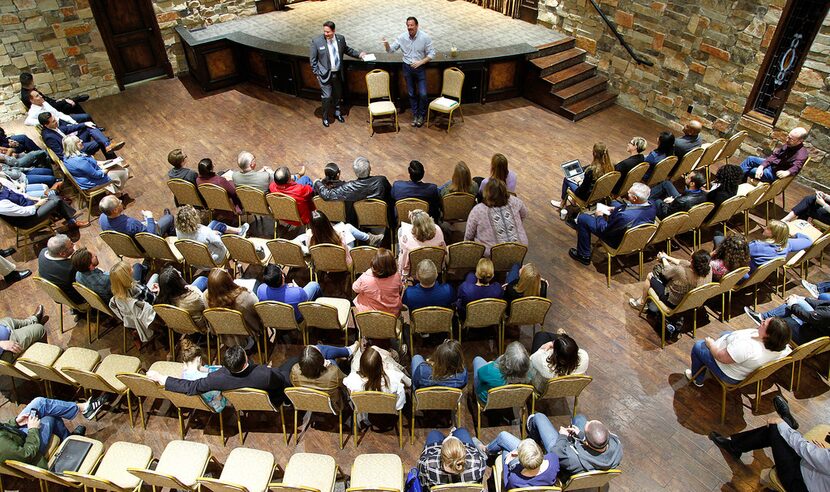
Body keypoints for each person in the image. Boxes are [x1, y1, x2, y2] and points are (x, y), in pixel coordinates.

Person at [148, 345, 291, 406]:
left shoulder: (217, 378)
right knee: (291, 365)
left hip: (240, 404)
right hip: (269, 402)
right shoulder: (265, 373)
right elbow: (280, 381)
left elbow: (191, 387)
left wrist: (162, 378)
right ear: (246, 360)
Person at [709, 418, 830, 491]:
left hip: (798, 481)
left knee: (775, 428)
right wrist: (821, 456)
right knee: (779, 431)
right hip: (810, 470)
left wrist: (783, 426)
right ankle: (735, 446)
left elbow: (805, 450)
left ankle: (734, 447)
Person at [685, 318, 792, 387]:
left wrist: (711, 344)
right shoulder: (782, 347)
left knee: (698, 346)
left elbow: (720, 357)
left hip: (728, 372)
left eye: (764, 324)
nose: (762, 321)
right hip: (740, 365)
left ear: (768, 335)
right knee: (725, 333)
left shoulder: (747, 347)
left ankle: (697, 379)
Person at [629, 250, 712, 339]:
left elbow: (666, 271)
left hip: (672, 302)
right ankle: (651, 305)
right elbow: (683, 262)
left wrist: (663, 259)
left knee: (651, 276)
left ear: (693, 262)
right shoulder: (708, 271)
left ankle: (641, 302)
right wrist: (667, 257)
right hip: (689, 304)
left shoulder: (681, 272)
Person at [569, 182, 656, 266]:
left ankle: (583, 255)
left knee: (583, 218)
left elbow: (604, 230)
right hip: (637, 236)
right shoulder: (652, 205)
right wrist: (617, 209)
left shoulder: (624, 216)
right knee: (614, 203)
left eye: (629, 193)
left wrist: (599, 216)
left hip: (618, 240)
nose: (627, 193)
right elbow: (632, 211)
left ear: (634, 198)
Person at [0, 397, 96, 467]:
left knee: (40, 403)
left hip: (18, 436)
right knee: (50, 417)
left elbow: (3, 429)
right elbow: (27, 455)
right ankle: (69, 442)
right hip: (31, 450)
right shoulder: (2, 443)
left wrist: (16, 422)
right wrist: (33, 429)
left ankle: (83, 409)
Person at [526, 412, 623, 478]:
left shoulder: (571, 459)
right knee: (580, 418)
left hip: (566, 459)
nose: (587, 422)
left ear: (587, 443)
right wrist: (580, 434)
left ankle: (532, 434)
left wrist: (563, 436)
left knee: (539, 417)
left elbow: (555, 453)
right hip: (585, 458)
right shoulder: (617, 444)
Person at [310, 21, 366, 127]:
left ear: (334, 31)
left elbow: (347, 50)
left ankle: (337, 113)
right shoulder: (317, 41)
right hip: (324, 75)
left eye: (328, 32)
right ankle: (325, 116)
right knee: (326, 97)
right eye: (324, 32)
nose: (326, 34)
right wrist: (317, 73)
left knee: (337, 95)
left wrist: (359, 54)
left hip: (337, 74)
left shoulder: (340, 39)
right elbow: (313, 60)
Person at [383, 16, 435, 127]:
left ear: (417, 25)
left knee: (423, 94)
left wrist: (421, 62)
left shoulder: (425, 37)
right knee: (411, 93)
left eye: (412, 25)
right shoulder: (402, 37)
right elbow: (390, 50)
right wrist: (386, 44)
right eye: (408, 25)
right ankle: (416, 116)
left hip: (420, 68)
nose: (410, 27)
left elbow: (431, 54)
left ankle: (422, 115)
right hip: (407, 68)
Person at [550, 143, 614, 220]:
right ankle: (573, 201)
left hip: (586, 196)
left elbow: (582, 190)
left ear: (594, 153)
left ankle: (562, 203)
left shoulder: (591, 171)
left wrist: (579, 180)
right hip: (600, 193)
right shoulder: (611, 167)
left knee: (566, 179)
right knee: (579, 175)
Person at [465, 179, 528, 256]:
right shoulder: (516, 201)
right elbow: (524, 214)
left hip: (491, 254)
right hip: (519, 249)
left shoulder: (478, 210)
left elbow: (468, 235)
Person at [344, 345, 410, 419]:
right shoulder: (394, 378)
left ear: (361, 366)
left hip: (366, 414)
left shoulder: (352, 380)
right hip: (391, 417)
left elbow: (352, 398)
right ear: (381, 365)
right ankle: (398, 359)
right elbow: (399, 405)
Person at [205, 268, 263, 347]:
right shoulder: (243, 298)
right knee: (257, 285)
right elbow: (258, 311)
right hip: (247, 337)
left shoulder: (205, 298)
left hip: (225, 336)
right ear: (228, 281)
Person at [109, 260, 161, 347]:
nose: (133, 269)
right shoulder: (137, 289)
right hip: (152, 315)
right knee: (155, 276)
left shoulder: (115, 299)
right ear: (127, 275)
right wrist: (158, 291)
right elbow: (154, 299)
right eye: (130, 269)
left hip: (136, 320)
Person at [291, 341, 357, 407]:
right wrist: (330, 364)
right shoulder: (333, 373)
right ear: (322, 361)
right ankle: (347, 351)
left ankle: (346, 351)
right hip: (332, 405)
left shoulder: (295, 371)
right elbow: (345, 382)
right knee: (328, 356)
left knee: (323, 354)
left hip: (307, 402)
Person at [0, 180, 87, 230]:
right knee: (56, 200)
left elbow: (21, 194)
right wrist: (38, 204)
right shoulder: (1, 204)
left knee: (53, 196)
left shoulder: (2, 188)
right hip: (27, 219)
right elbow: (25, 212)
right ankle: (72, 222)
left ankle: (52, 195)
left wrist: (36, 199)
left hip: (30, 205)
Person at [745, 294, 830, 345]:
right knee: (797, 301)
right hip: (815, 325)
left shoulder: (827, 314)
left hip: (808, 336)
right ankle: (763, 318)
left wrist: (792, 305)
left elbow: (808, 317)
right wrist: (802, 298)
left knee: (783, 323)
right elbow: (822, 303)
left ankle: (766, 325)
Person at [175, 205, 248, 264]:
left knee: (214, 223)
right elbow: (221, 244)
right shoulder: (205, 231)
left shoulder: (178, 230)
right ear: (193, 219)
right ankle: (239, 232)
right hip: (213, 260)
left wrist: (211, 234)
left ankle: (238, 230)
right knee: (219, 232)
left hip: (195, 260)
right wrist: (216, 235)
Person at [485, 433, 559, 489]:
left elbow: (507, 485)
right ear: (540, 451)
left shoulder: (515, 479)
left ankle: (486, 450)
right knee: (504, 438)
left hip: (517, 469)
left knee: (505, 447)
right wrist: (526, 454)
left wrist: (506, 463)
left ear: (520, 461)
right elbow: (539, 458)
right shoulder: (553, 460)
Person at [61, 135, 130, 195]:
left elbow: (91, 163)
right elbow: (97, 175)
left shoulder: (67, 156)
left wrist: (105, 163)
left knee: (113, 162)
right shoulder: (79, 161)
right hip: (91, 183)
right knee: (123, 171)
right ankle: (116, 193)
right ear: (73, 146)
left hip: (86, 176)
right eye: (78, 142)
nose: (81, 141)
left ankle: (115, 185)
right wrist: (109, 168)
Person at [417, 427, 486, 487]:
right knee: (462, 431)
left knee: (434, 433)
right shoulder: (478, 463)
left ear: (441, 454)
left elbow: (423, 483)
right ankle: (453, 435)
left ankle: (448, 438)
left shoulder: (427, 465)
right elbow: (479, 481)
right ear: (464, 452)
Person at [38, 112, 122, 161]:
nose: (56, 122)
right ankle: (115, 161)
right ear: (46, 125)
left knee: (89, 127)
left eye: (55, 119)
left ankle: (107, 145)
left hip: (75, 142)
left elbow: (68, 128)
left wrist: (85, 123)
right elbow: (61, 154)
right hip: (74, 150)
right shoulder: (48, 137)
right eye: (53, 121)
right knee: (99, 142)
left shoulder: (54, 127)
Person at [740, 127, 809, 182]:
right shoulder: (789, 144)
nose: (787, 140)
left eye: (791, 139)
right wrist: (762, 166)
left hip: (774, 174)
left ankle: (734, 185)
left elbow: (797, 167)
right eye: (788, 137)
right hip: (772, 165)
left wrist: (788, 172)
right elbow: (774, 155)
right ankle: (737, 183)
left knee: (749, 170)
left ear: (800, 141)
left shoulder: (801, 154)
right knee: (750, 159)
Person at [313, 156, 391, 205]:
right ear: (370, 169)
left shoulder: (349, 186)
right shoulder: (381, 180)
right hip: (382, 215)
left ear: (355, 172)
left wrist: (317, 182)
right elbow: (391, 195)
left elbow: (327, 195)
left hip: (359, 218)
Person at [256, 264, 321, 320]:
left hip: (274, 320)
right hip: (296, 319)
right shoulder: (297, 292)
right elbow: (305, 299)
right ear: (283, 276)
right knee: (314, 285)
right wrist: (296, 288)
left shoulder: (260, 289)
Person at [178, 339, 226, 412]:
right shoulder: (207, 379)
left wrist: (204, 369)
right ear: (199, 359)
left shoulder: (184, 375)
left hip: (195, 404)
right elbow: (218, 396)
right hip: (215, 406)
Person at [155, 266, 209, 331]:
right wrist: (194, 289)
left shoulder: (162, 303)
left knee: (201, 279)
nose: (180, 272)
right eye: (179, 275)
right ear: (178, 283)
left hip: (179, 326)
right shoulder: (193, 299)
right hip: (200, 325)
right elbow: (205, 304)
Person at [747, 220, 812, 273]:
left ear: (774, 234)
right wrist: (796, 235)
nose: (765, 228)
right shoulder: (787, 245)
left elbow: (739, 254)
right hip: (758, 275)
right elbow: (808, 241)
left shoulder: (757, 246)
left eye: (768, 228)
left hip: (746, 275)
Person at [353, 248, 402, 316]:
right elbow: (400, 289)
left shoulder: (365, 278)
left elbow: (355, 288)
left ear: (374, 262)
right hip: (392, 314)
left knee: (360, 296)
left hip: (370, 314)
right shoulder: (397, 276)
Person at [100, 195, 176, 238]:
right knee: (169, 218)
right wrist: (149, 217)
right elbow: (151, 235)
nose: (121, 201)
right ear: (115, 210)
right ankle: (172, 237)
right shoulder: (131, 223)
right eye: (119, 202)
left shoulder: (102, 218)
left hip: (130, 246)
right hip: (145, 242)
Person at [37, 234, 84, 305]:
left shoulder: (42, 252)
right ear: (62, 254)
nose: (74, 245)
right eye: (71, 245)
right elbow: (84, 281)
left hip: (57, 295)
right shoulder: (70, 268)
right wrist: (78, 255)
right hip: (75, 298)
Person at [398, 209, 446, 277]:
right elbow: (444, 251)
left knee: (400, 231)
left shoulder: (406, 238)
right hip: (435, 266)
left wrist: (401, 271)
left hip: (414, 271)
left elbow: (403, 261)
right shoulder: (438, 229)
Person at [19, 72, 89, 115]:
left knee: (72, 104)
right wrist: (64, 101)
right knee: (71, 104)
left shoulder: (31, 89)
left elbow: (45, 98)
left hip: (50, 104)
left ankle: (90, 125)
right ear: (31, 82)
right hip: (48, 110)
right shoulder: (27, 96)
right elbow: (45, 105)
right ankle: (76, 99)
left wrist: (56, 101)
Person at [23, 89, 90, 126]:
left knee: (86, 116)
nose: (41, 96)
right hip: (58, 124)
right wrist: (43, 121)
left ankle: (94, 128)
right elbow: (27, 122)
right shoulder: (34, 111)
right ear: (32, 100)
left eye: (39, 94)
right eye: (37, 96)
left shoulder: (44, 103)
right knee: (85, 122)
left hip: (62, 118)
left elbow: (57, 113)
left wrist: (71, 120)